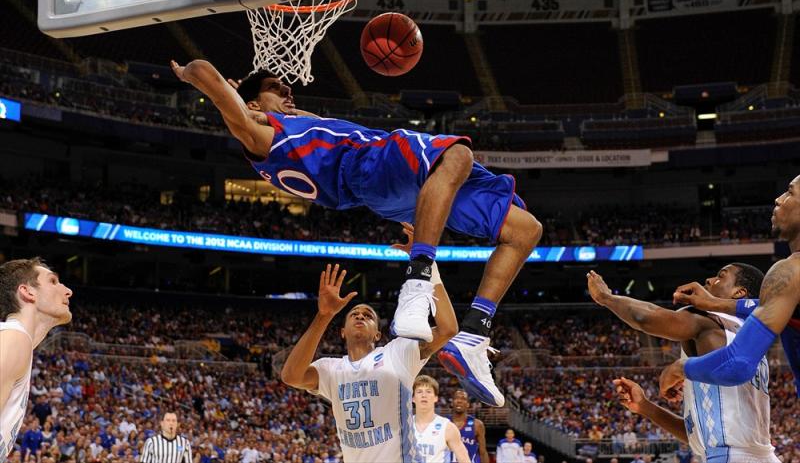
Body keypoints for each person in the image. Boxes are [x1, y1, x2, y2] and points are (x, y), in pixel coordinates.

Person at [171, 59, 543, 406]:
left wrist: (244, 97)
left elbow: (301, 115)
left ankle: (474, 334)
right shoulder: (260, 135)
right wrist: (192, 75)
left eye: (288, 90)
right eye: (277, 89)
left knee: (525, 230)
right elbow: (205, 70)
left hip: (385, 188)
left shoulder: (292, 126)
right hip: (369, 164)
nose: (288, 93)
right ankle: (415, 286)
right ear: (252, 104)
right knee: (457, 154)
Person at [280, 248, 458, 462]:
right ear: (343, 332)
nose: (360, 316)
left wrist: (429, 267)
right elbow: (291, 376)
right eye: (354, 313)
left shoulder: (397, 353)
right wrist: (323, 316)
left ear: (377, 334)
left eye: (368, 315)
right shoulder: (331, 369)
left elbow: (448, 329)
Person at [588, 265, 778, 462]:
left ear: (739, 293)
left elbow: (644, 317)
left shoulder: (709, 320)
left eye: (720, 276)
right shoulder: (750, 340)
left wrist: (606, 298)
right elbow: (700, 437)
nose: (709, 280)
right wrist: (645, 407)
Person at [659, 175, 800, 398]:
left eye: (790, 192)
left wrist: (679, 369)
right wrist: (716, 303)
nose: (778, 199)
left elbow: (737, 364)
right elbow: (774, 304)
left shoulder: (791, 271)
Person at [0, 258, 73, 463]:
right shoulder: (14, 338)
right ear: (27, 292)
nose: (67, 291)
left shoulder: (16, 341)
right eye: (53, 281)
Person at [411, 375, 470, 463]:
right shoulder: (404, 426)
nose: (424, 395)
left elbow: (465, 460)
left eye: (428, 391)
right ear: (413, 398)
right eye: (419, 392)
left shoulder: (448, 427)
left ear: (436, 398)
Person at [449, 389, 489, 463]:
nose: (459, 401)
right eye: (456, 398)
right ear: (452, 403)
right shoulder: (444, 423)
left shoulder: (477, 425)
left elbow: (483, 453)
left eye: (463, 399)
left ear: (468, 404)